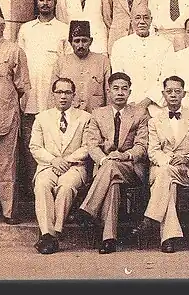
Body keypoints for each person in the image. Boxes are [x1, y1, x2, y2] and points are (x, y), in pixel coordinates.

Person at [77, 72, 149, 254]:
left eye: (124, 89)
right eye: (115, 88)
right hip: (106, 169)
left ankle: (88, 209)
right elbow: (92, 145)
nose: (120, 92)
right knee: (113, 184)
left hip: (130, 167)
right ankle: (109, 239)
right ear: (108, 91)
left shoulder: (140, 114)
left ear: (130, 92)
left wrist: (124, 156)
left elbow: (142, 146)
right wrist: (104, 159)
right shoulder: (98, 114)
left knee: (111, 168)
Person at [134, 75, 189, 253]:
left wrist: (187, 158)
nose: (173, 95)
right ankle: (167, 238)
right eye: (169, 91)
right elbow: (153, 151)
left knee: (165, 177)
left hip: (186, 171)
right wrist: (169, 161)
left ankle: (151, 218)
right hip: (163, 168)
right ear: (163, 94)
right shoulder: (154, 121)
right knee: (167, 181)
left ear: (184, 94)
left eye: (177, 91)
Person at [29, 77, 92, 254]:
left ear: (74, 95)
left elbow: (88, 146)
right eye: (59, 92)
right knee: (42, 185)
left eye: (67, 92)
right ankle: (47, 234)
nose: (63, 96)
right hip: (48, 165)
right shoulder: (42, 118)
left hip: (75, 166)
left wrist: (67, 160)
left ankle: (53, 234)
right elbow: (35, 146)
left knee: (66, 187)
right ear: (53, 95)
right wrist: (53, 160)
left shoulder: (85, 118)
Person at [17, 0, 69, 198]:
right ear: (36, 2)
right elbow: (20, 63)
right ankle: (35, 194)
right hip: (30, 100)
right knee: (33, 146)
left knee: (56, 145)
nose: (45, 3)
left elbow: (67, 65)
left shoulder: (63, 29)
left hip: (53, 101)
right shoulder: (26, 29)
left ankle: (56, 193)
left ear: (54, 2)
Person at [0, 1, 31, 225]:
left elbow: (23, 87)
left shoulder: (14, 51)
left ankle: (9, 211)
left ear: (2, 25)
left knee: (6, 167)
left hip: (5, 117)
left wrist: (13, 113)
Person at [110, 4, 174, 113]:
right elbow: (118, 78)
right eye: (138, 18)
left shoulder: (165, 45)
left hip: (157, 105)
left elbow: (167, 77)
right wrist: (132, 103)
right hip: (129, 104)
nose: (142, 22)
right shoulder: (119, 45)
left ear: (151, 20)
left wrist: (148, 100)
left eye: (146, 17)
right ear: (131, 21)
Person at [51, 20, 111, 113]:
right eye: (76, 41)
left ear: (91, 41)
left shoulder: (103, 61)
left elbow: (109, 92)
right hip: (70, 115)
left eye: (84, 41)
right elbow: (53, 95)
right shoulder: (61, 62)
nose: (80, 45)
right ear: (70, 42)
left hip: (95, 114)